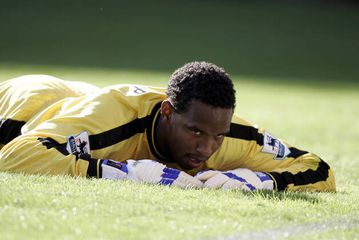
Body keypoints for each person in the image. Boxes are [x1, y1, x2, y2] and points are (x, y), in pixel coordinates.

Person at [0, 62, 335, 191]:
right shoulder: (111, 120)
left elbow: (319, 169)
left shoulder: (231, 134)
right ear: (167, 112)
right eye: (196, 132)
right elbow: (16, 156)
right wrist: (127, 173)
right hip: (27, 101)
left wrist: (258, 181)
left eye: (218, 135)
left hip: (77, 104)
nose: (206, 149)